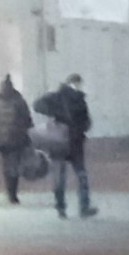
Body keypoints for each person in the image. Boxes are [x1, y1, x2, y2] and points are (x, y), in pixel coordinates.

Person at [34, 73, 97, 217]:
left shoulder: (56, 96)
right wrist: (80, 128)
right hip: (74, 142)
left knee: (60, 175)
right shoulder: (79, 99)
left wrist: (54, 114)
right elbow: (86, 122)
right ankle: (84, 207)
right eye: (78, 84)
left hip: (59, 141)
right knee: (81, 174)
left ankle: (61, 207)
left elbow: (37, 105)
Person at [0, 76, 35, 205]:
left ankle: (9, 190)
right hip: (15, 140)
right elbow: (27, 121)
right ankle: (12, 193)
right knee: (12, 164)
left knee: (5, 165)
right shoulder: (19, 101)